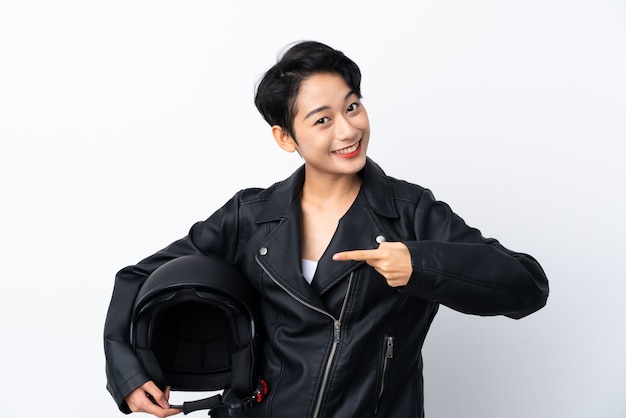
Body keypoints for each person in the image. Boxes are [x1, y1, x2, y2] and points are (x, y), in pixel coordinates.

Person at [104, 40, 549, 418]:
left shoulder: (410, 212)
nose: (349, 128)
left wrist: (420, 264)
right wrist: (129, 372)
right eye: (323, 119)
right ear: (285, 138)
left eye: (352, 106)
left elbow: (527, 285)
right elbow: (139, 277)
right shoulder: (250, 215)